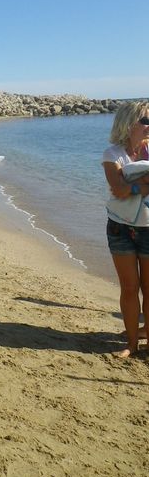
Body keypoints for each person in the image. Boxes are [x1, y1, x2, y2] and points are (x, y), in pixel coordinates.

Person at [102, 101, 149, 358]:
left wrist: (133, 184)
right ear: (129, 123)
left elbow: (123, 187)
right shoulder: (113, 154)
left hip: (148, 227)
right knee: (130, 288)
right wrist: (144, 183)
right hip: (120, 227)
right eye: (146, 121)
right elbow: (118, 190)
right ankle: (131, 344)